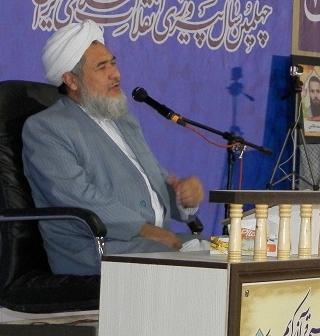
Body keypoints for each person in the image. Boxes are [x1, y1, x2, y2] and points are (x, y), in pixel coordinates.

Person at [22, 21, 208, 275]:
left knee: (231, 253)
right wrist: (147, 231)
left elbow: (156, 180)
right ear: (72, 80)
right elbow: (79, 198)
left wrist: (185, 198)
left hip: (151, 243)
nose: (116, 74)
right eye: (102, 67)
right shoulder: (47, 128)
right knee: (200, 272)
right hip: (97, 249)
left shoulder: (123, 120)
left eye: (113, 63)